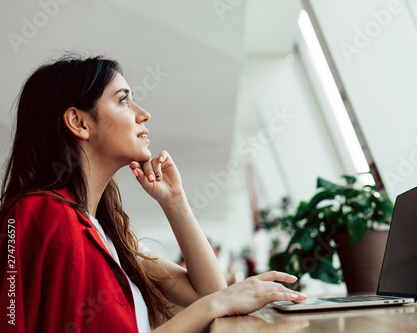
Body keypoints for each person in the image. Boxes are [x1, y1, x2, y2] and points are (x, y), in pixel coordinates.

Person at [0, 55, 307, 333]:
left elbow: (212, 290)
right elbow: (215, 301)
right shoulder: (44, 213)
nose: (143, 114)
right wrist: (214, 307)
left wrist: (175, 201)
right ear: (79, 122)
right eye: (123, 100)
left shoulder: (103, 234)